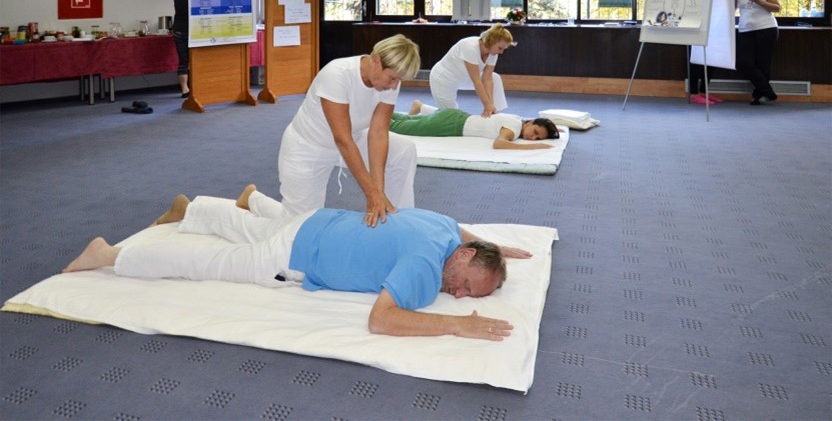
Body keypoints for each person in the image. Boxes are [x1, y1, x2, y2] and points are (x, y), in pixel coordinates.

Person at [64, 187, 532, 341]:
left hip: (315, 222)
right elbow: (381, 319)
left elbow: (461, 229)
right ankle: (108, 255)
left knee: (253, 228)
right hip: (292, 257)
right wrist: (456, 326)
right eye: (467, 284)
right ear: (463, 257)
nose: (459, 295)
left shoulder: (442, 228)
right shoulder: (425, 271)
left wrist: (493, 246)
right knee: (205, 263)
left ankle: (194, 210)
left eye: (468, 296)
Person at [276, 34, 421, 227]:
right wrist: (372, 194)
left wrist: (378, 191)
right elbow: (342, 140)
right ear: (376, 61)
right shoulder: (337, 74)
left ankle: (394, 222)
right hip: (308, 147)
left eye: (399, 80)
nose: (394, 85)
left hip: (353, 139)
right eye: (392, 78)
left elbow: (378, 134)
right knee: (298, 226)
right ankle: (252, 200)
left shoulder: (390, 82)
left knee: (403, 149)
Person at [390, 100, 558, 150]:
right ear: (531, 122)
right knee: (398, 127)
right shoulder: (513, 129)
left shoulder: (516, 119)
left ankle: (381, 111)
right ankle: (376, 116)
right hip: (451, 124)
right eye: (535, 132)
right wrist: (535, 146)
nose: (532, 137)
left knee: (406, 120)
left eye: (537, 138)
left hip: (456, 115)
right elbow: (499, 144)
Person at [429, 23, 515, 117]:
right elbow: (477, 81)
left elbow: (487, 79)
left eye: (504, 49)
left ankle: (495, 114)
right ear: (491, 41)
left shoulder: (493, 53)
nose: (501, 52)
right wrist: (487, 105)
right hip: (443, 79)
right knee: (451, 117)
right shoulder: (469, 47)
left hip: (463, 78)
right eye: (500, 48)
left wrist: (491, 104)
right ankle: (421, 107)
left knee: (495, 78)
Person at [734, 0, 781, 105]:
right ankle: (768, 92)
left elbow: (777, 8)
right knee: (743, 62)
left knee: (763, 63)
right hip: (745, 29)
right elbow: (731, 7)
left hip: (766, 28)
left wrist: (760, 2)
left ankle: (758, 96)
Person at [171, 0, 190, 98]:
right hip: (191, 29)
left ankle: (184, 89)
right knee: (195, 59)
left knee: (183, 61)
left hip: (178, 29)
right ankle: (197, 86)